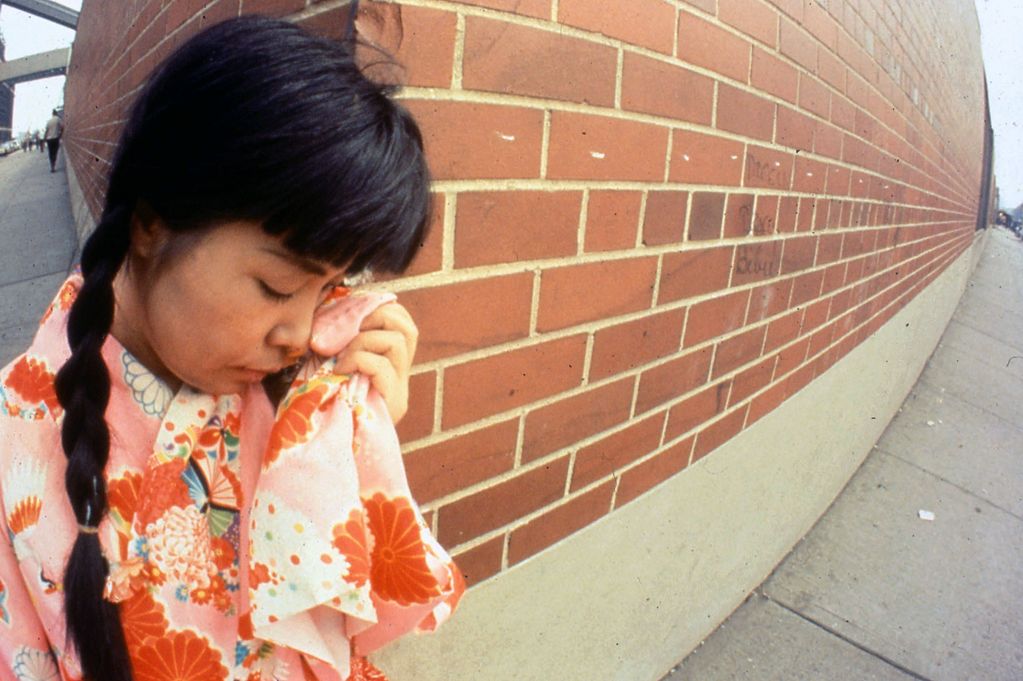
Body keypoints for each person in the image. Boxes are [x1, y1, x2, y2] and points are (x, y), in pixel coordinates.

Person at [0, 15, 462, 681]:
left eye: (329, 287)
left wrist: (357, 448)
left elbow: (358, 620)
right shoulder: (16, 434)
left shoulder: (301, 394)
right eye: (276, 285)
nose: (300, 333)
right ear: (153, 223)